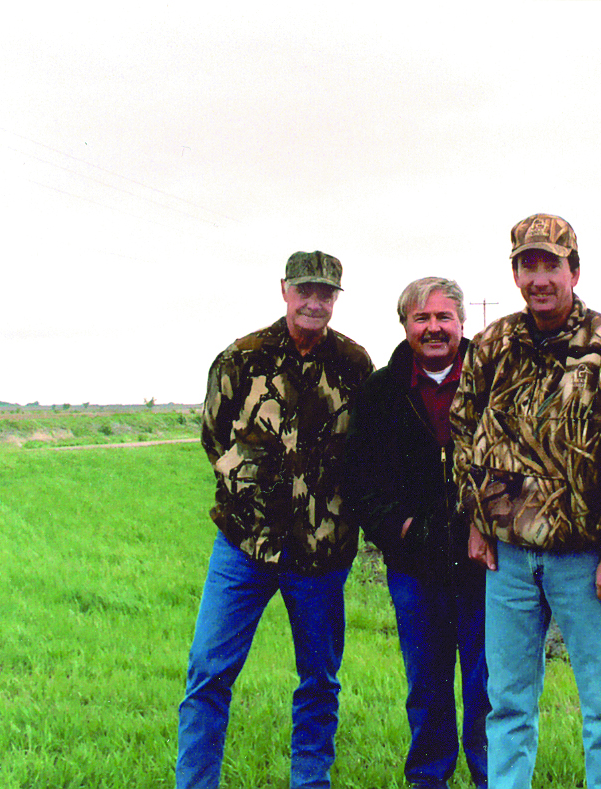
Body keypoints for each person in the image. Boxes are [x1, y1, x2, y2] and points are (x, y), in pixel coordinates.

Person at [450, 213, 601, 789]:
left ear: (575, 270)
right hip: (509, 560)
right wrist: (477, 520)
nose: (539, 278)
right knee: (507, 706)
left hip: (587, 558)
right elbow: (465, 433)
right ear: (515, 273)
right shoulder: (494, 343)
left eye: (551, 265)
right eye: (527, 265)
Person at [177, 251, 373, 789]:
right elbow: (215, 437)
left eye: (326, 293)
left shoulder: (354, 365)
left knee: (319, 682)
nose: (315, 302)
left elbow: (368, 450)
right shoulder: (242, 357)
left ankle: (309, 783)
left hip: (321, 554)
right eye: (305, 291)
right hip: (243, 549)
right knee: (209, 674)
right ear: (284, 290)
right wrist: (250, 497)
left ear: (336, 299)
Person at [342, 277, 488, 789]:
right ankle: (428, 778)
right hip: (414, 566)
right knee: (426, 685)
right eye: (421, 318)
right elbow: (360, 477)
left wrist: (486, 527)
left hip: (485, 564)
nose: (433, 328)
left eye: (443, 317)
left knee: (486, 687)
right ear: (405, 326)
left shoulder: (494, 377)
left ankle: (493, 777)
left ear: (462, 323)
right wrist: (400, 529)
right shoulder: (381, 391)